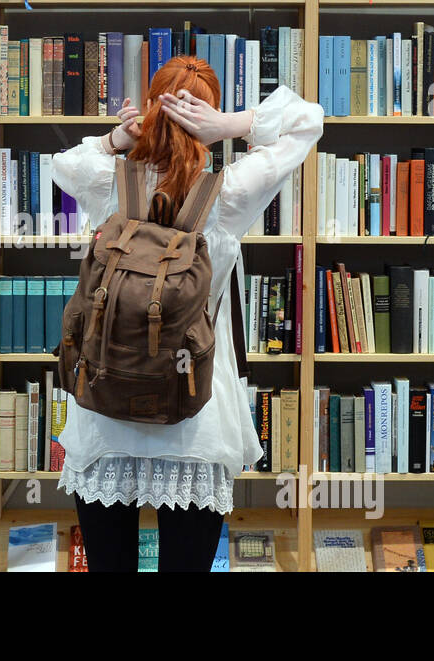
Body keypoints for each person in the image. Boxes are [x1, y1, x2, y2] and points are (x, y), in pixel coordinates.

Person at [51, 55, 322, 572]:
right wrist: (236, 124)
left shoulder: (108, 180)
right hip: (194, 410)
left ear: (150, 110)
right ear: (207, 118)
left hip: (105, 408)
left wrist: (118, 139)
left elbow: (63, 164)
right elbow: (309, 119)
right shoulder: (232, 192)